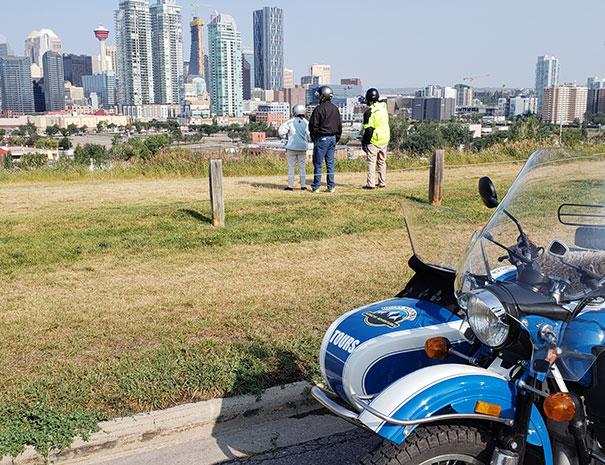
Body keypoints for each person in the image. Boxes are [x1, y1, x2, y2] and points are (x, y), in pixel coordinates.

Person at [309, 86, 342, 193]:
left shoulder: (318, 109)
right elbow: (339, 125)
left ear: (323, 96)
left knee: (318, 163)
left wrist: (314, 138)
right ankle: (331, 186)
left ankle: (316, 187)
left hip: (321, 138)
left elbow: (313, 126)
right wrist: (337, 138)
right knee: (330, 163)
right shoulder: (335, 109)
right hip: (332, 138)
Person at [361, 88, 390, 189]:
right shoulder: (383, 106)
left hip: (374, 140)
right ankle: (382, 182)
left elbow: (368, 131)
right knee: (382, 161)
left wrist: (364, 142)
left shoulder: (368, 113)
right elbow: (377, 103)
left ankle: (371, 184)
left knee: (371, 162)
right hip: (385, 138)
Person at [279, 104, 311, 191]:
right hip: (302, 148)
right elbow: (310, 136)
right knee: (302, 167)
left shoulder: (290, 122)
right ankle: (303, 186)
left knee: (291, 167)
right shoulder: (307, 123)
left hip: (291, 147)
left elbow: (281, 132)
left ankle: (290, 186)